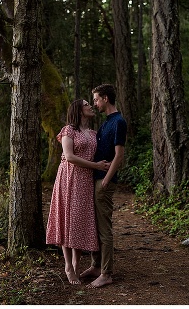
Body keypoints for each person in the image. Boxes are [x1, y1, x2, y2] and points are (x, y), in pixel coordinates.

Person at [46, 99, 110, 285]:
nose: (91, 106)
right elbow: (69, 156)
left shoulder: (93, 133)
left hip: (86, 181)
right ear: (79, 110)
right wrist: (95, 165)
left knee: (79, 221)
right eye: (86, 104)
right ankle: (68, 266)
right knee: (67, 219)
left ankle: (76, 263)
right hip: (69, 177)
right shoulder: (69, 130)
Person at [81, 84, 127, 289]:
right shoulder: (106, 122)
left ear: (106, 98)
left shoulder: (119, 122)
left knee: (104, 228)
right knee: (95, 225)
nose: (95, 103)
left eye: (96, 99)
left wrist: (107, 179)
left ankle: (106, 273)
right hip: (96, 178)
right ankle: (96, 265)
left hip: (104, 181)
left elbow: (119, 155)